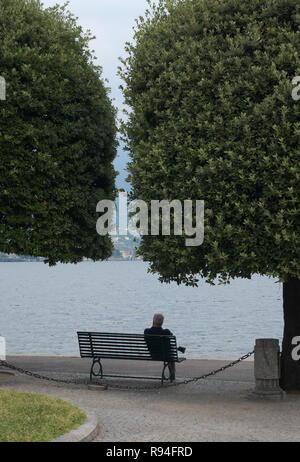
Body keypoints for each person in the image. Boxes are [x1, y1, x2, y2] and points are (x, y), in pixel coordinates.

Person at [144, 313, 186, 381]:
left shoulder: (146, 331)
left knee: (168, 348)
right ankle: (172, 375)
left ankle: (177, 349)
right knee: (170, 351)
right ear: (162, 322)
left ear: (153, 321)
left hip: (153, 355)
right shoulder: (166, 332)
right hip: (164, 355)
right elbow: (170, 338)